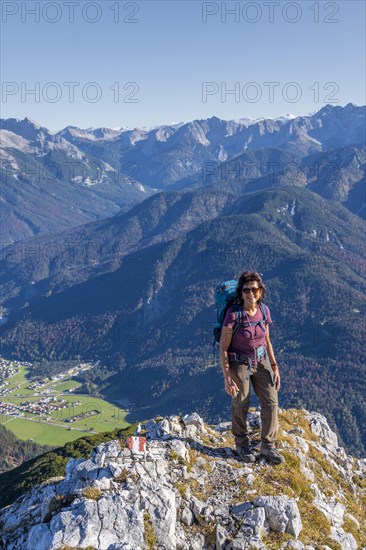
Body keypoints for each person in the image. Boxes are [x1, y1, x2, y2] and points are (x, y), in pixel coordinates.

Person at [219, 271, 284, 464]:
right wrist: (227, 377)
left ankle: (268, 446)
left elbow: (267, 340)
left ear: (260, 291)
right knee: (241, 401)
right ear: (241, 292)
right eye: (246, 289)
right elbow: (223, 348)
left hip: (262, 360)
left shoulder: (263, 311)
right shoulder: (233, 315)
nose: (251, 293)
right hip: (240, 362)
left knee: (271, 402)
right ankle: (242, 444)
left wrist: (274, 365)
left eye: (254, 289)